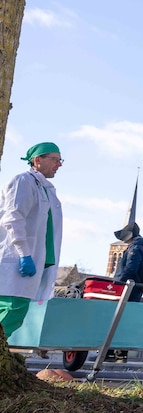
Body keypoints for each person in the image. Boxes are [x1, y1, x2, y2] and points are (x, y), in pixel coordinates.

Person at [0, 142, 64, 337]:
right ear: (37, 160)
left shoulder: (45, 189)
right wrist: (24, 254)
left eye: (60, 160)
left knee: (17, 312)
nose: (59, 164)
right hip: (16, 260)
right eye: (54, 159)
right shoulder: (23, 182)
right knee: (12, 309)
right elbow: (13, 219)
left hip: (32, 262)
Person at [112, 222, 143, 304]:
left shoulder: (135, 249)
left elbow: (131, 269)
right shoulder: (142, 248)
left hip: (128, 290)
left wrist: (119, 283)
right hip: (135, 289)